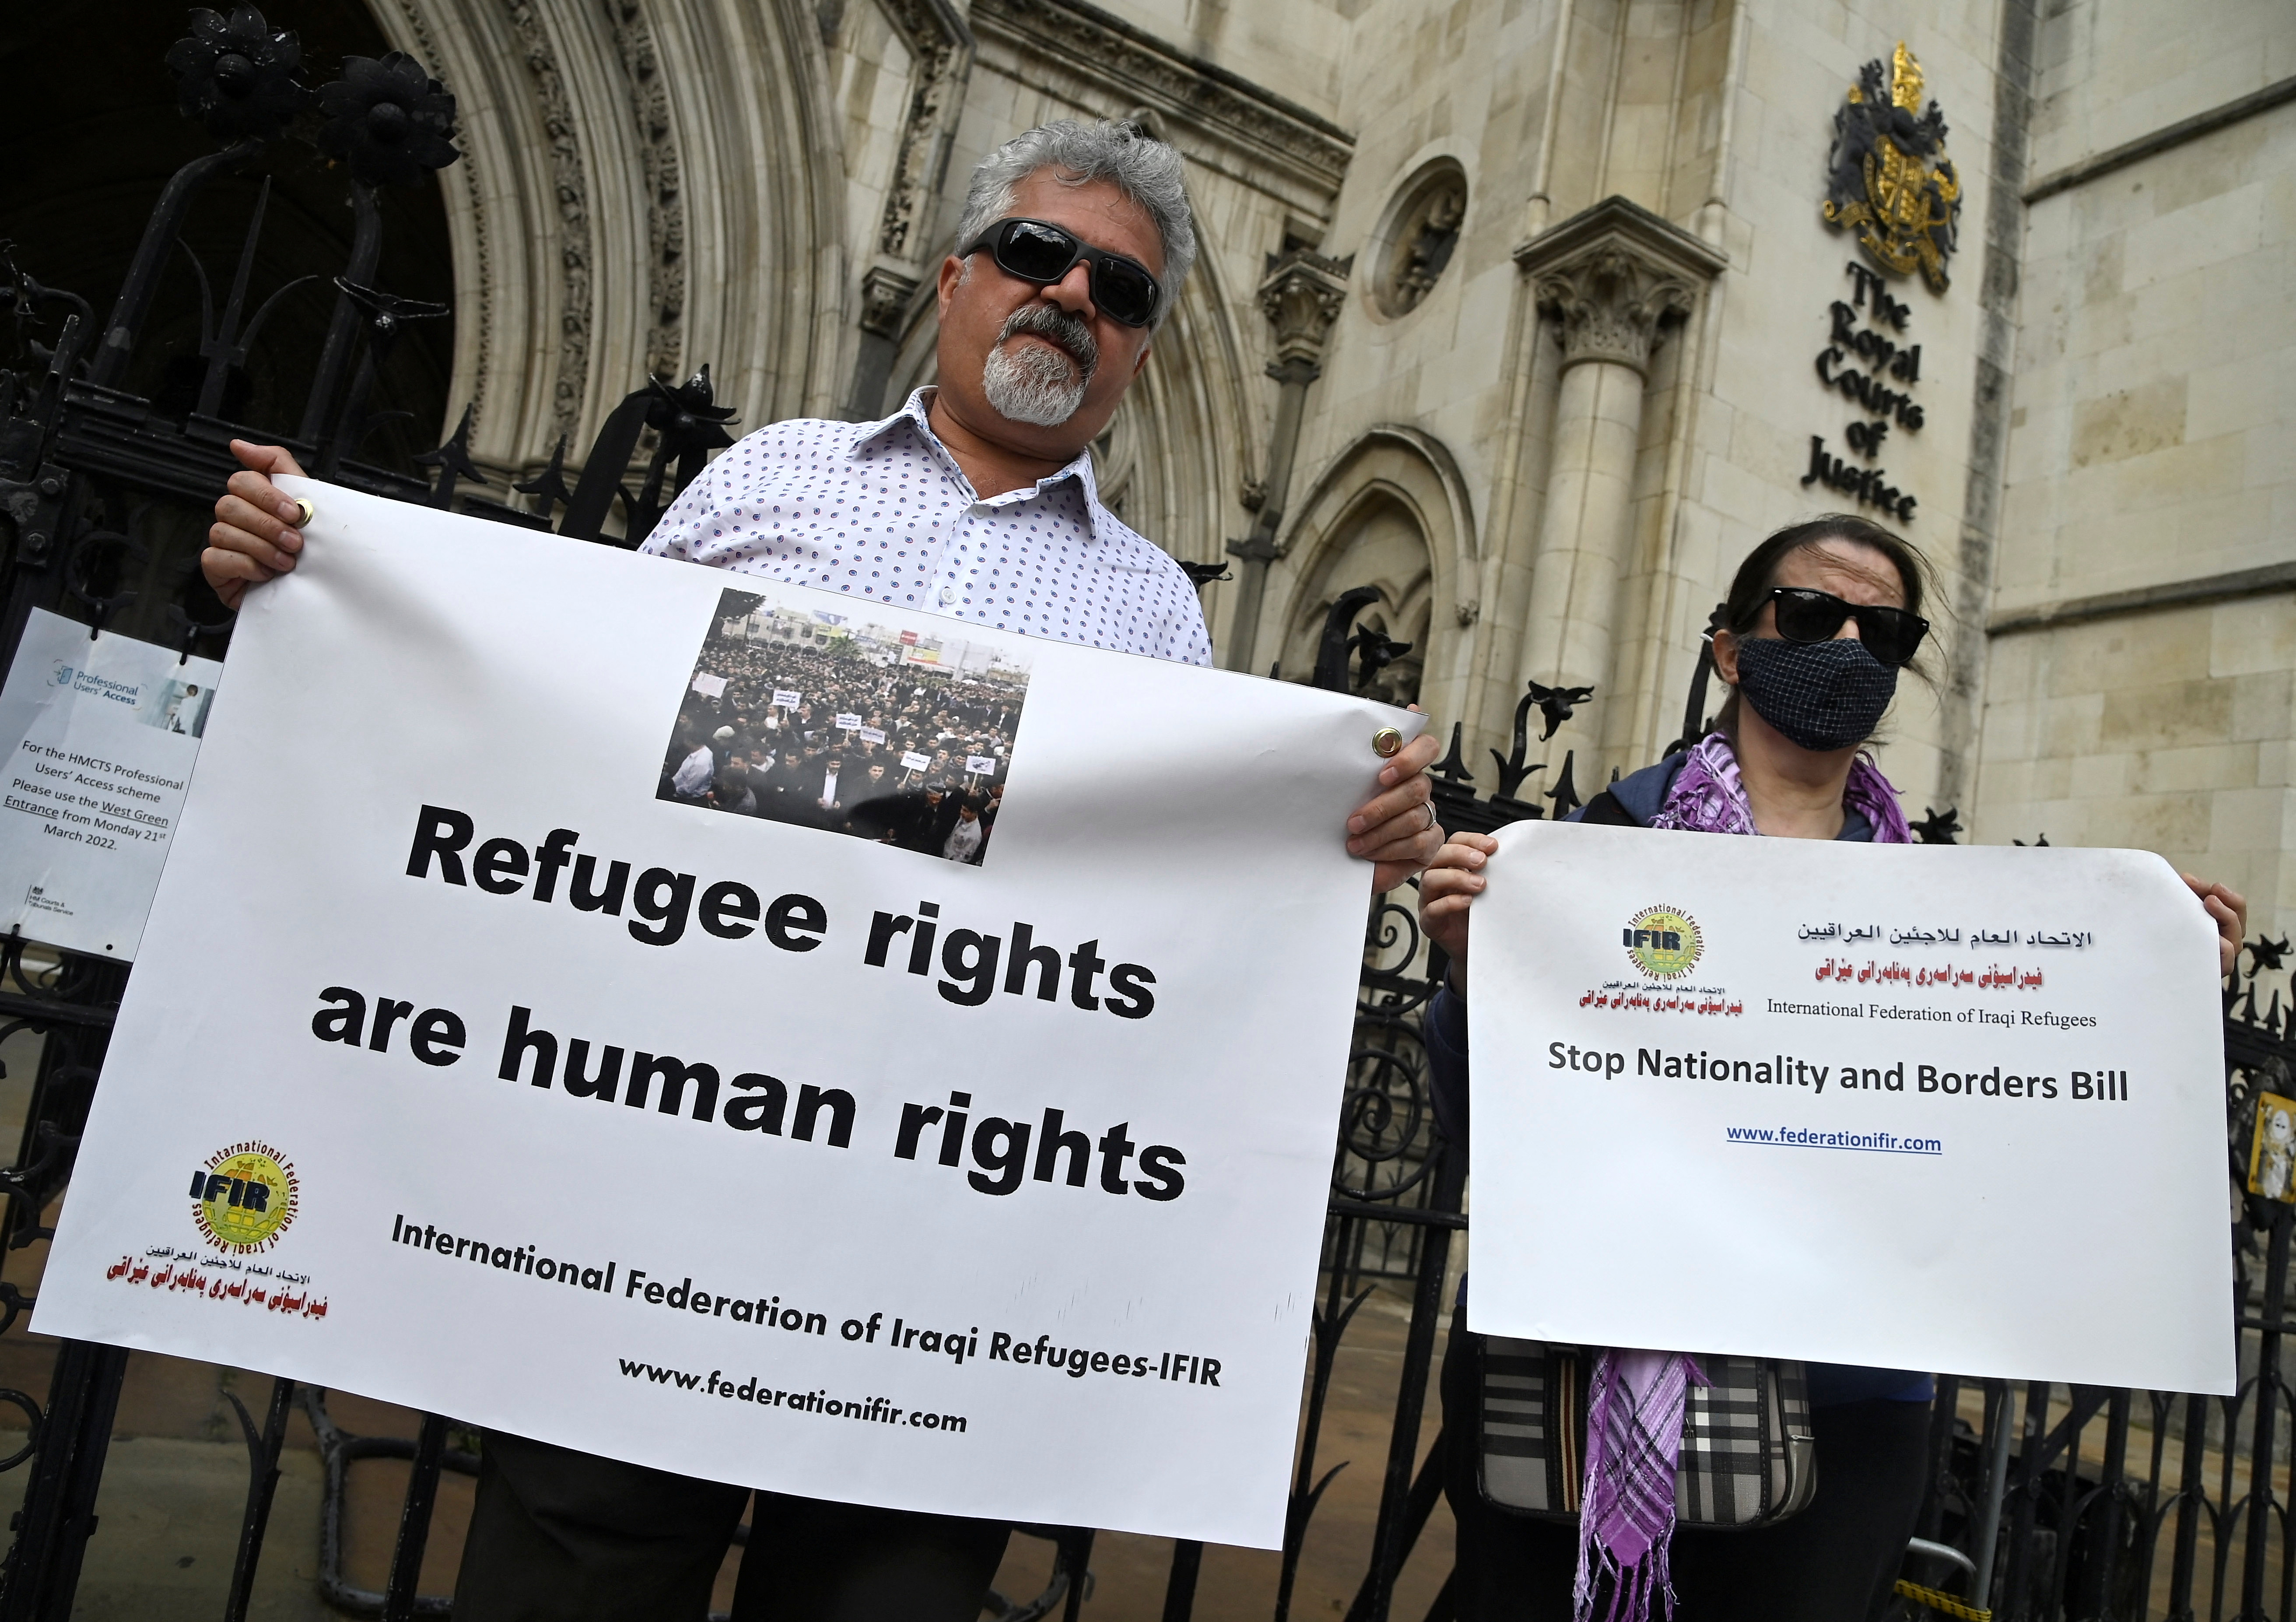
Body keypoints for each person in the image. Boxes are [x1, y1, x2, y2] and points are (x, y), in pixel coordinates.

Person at [205, 117, 1446, 1622]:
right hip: (662, 1178)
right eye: (1036, 254)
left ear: (1139, 351)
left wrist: (1352, 846)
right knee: (573, 1575)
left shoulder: (1157, 619)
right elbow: (547, 718)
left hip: (943, 1253)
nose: (1068, 296)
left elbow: (1185, 926)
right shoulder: (767, 481)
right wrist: (322, 588)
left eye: (1117, 289)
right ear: (954, 276)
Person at [1417, 514, 2249, 1622]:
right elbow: (1493, 1133)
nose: (1848, 644)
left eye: (1884, 630)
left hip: (1848, 1400)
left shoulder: (1940, 913)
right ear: (1730, 646)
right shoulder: (1599, 849)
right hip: (1586, 1364)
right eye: (1811, 614)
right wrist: (1478, 975)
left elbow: (2013, 1137)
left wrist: (2155, 984)